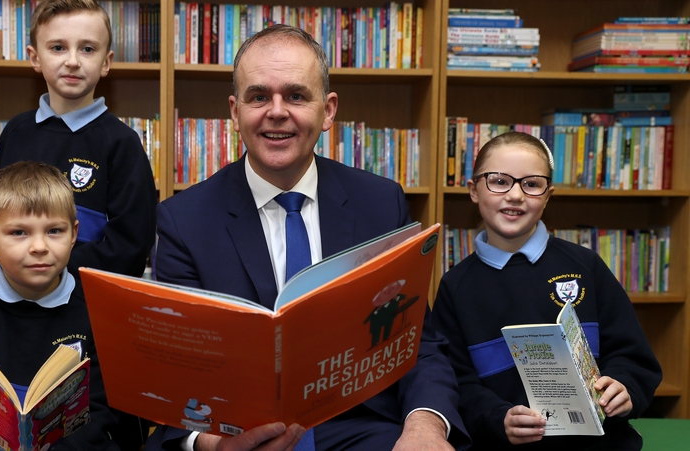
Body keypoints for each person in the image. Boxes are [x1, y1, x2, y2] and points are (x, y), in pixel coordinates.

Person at [149, 24, 470, 451]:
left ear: (328, 110)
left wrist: (425, 428)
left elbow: (417, 346)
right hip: (235, 435)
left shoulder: (380, 204)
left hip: (360, 428)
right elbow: (177, 371)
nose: (277, 111)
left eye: (296, 96)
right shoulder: (183, 220)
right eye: (259, 96)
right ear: (234, 110)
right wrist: (211, 444)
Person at [430, 131, 662, 450]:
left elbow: (633, 357)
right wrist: (498, 418)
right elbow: (456, 383)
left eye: (531, 183)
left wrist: (625, 388)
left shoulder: (586, 265)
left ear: (548, 195)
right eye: (499, 181)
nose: (514, 195)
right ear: (473, 190)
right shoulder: (455, 286)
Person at [0, 161, 143, 450]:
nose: (39, 246)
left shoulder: (97, 312)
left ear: (74, 234)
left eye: (54, 231)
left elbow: (103, 415)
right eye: (19, 233)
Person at [0, 0, 157, 278]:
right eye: (58, 47)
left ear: (106, 62)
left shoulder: (122, 143)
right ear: (35, 58)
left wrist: (51, 271)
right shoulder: (15, 131)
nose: (72, 61)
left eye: (87, 49)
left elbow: (131, 246)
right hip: (14, 298)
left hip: (83, 305)